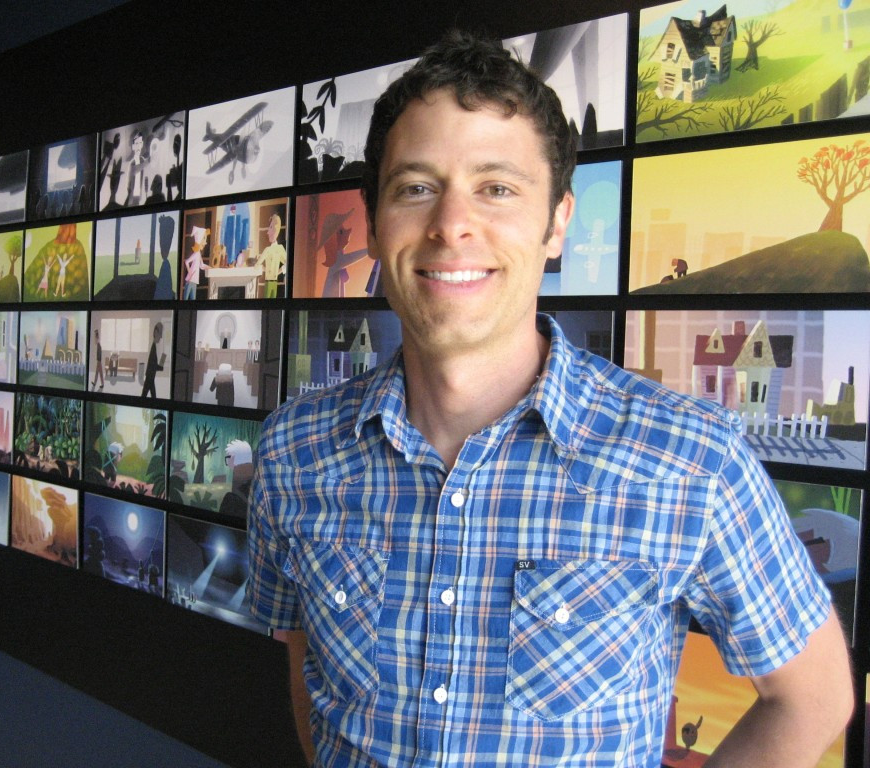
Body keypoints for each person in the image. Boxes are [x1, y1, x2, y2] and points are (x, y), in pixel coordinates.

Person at [247, 31, 852, 768]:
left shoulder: (694, 459)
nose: (452, 224)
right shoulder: (293, 450)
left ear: (558, 221)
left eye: (497, 188)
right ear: (373, 223)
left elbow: (814, 698)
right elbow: (305, 664)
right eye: (416, 188)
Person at [255, 213, 287, 298]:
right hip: (268, 282)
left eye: (271, 227)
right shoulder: (267, 250)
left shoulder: (280, 249)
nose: (268, 232)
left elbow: (288, 264)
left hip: (274, 282)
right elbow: (257, 265)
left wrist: (277, 272)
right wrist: (267, 270)